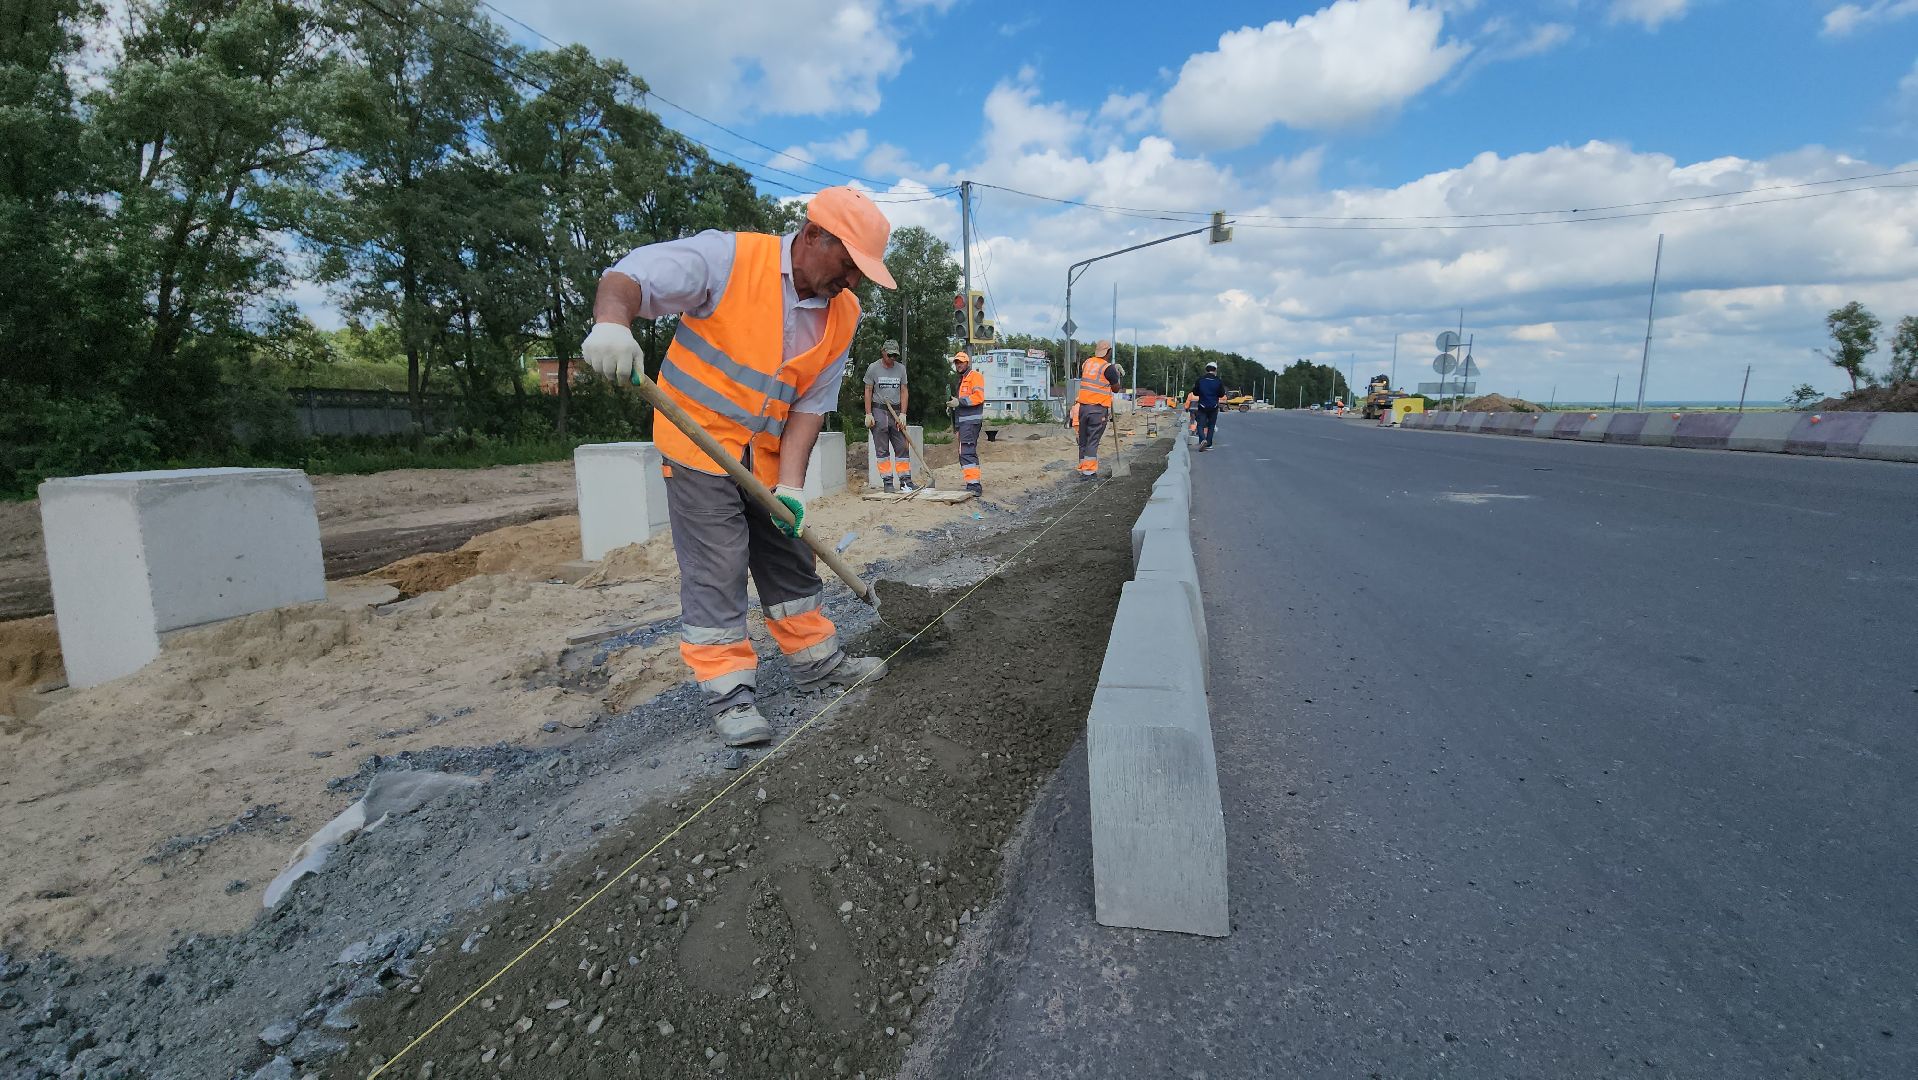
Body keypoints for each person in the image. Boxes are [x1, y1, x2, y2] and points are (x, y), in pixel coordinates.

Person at [581, 186, 893, 748]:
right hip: (697, 443)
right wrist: (612, 323)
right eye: (848, 264)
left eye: (861, 273)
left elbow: (809, 408)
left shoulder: (845, 314)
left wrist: (792, 488)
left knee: (789, 552)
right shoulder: (727, 259)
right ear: (814, 234)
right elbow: (629, 277)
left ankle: (816, 662)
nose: (851, 280)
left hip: (767, 455)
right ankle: (730, 694)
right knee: (718, 563)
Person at [863, 339, 915, 493]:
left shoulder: (900, 369)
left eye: (895, 356)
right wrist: (868, 413)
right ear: (883, 351)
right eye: (889, 355)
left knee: (901, 448)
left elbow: (904, 390)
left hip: (897, 411)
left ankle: (906, 481)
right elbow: (868, 390)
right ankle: (888, 483)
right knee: (882, 449)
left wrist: (904, 413)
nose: (892, 358)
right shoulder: (873, 368)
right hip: (879, 410)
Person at [1072, 341, 1124, 479]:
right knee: (1092, 441)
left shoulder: (1087, 363)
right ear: (1109, 352)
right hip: (1097, 409)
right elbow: (1116, 388)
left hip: (1083, 408)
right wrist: (1117, 375)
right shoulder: (1108, 368)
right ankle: (1089, 472)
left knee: (1083, 440)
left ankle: (1083, 469)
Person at [948, 350, 986, 495]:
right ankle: (972, 484)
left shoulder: (975, 377)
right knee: (964, 452)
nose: (958, 365)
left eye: (961, 362)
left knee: (967, 452)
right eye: (956, 362)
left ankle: (974, 486)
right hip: (964, 423)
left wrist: (959, 402)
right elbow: (960, 406)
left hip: (970, 422)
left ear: (967, 363)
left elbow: (978, 397)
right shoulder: (962, 379)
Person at [1192, 362, 1224, 451]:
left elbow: (1195, 392)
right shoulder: (1218, 381)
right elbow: (1221, 394)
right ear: (1215, 370)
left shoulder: (1200, 380)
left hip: (1202, 406)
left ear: (1206, 370)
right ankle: (1209, 444)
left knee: (1200, 425)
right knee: (1211, 425)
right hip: (1214, 406)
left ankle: (1202, 440)